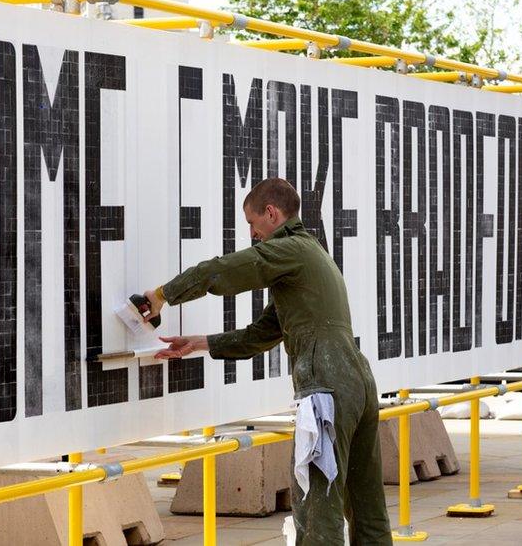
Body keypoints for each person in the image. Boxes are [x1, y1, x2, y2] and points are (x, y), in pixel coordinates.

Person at [141, 178, 392, 545]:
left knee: (317, 512)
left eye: (252, 223)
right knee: (366, 507)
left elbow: (222, 271)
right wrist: (201, 343)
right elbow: (263, 332)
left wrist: (163, 295)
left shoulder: (289, 249)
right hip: (357, 385)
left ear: (271, 213)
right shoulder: (310, 255)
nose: (252, 234)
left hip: (327, 387)